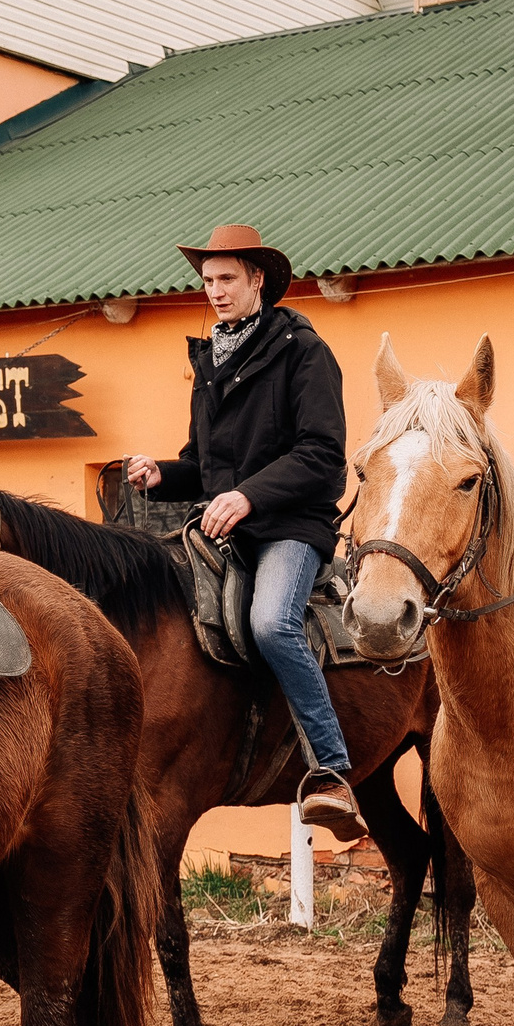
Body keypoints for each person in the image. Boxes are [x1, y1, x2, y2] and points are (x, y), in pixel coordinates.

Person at [124, 224, 366, 842]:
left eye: (227, 278)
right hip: (223, 529)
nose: (215, 290)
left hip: (291, 527)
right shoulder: (210, 361)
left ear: (258, 280)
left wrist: (248, 495)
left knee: (270, 623)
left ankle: (332, 771)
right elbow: (203, 465)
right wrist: (162, 473)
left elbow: (322, 455)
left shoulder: (304, 351)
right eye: (207, 280)